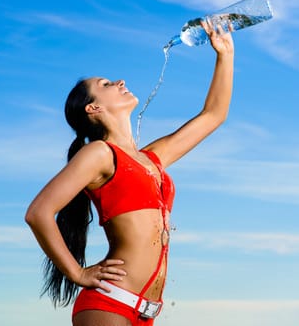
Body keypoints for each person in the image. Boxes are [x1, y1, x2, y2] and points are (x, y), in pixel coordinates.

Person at [25, 20, 234, 326]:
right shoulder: (99, 154)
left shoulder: (152, 158)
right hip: (109, 304)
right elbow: (38, 212)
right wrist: (77, 272)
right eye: (106, 85)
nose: (120, 81)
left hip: (145, 311)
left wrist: (225, 55)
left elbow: (214, 115)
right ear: (93, 109)